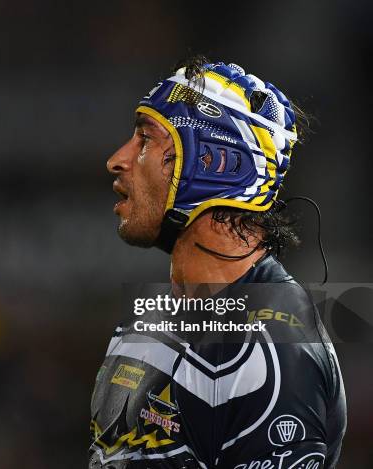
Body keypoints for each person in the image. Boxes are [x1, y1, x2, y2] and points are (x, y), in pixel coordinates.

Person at [89, 57, 346, 469]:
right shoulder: (150, 323)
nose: (117, 159)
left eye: (144, 139)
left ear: (211, 162)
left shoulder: (272, 354)